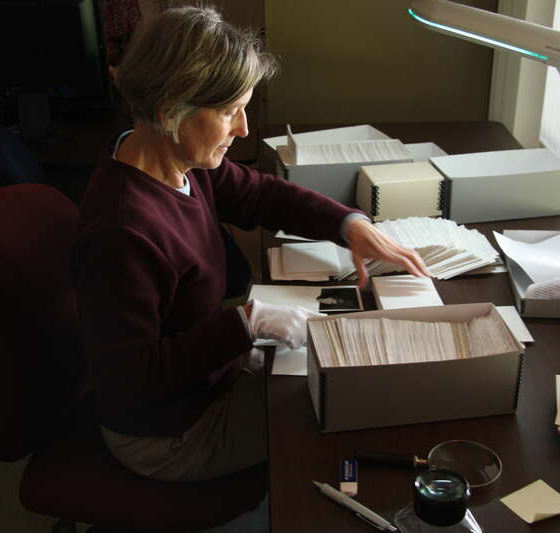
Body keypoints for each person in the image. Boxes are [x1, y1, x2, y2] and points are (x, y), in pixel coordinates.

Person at [71, 5, 429, 482]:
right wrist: (245, 324)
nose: (242, 129)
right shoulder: (123, 232)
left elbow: (259, 193)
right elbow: (131, 378)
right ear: (171, 110)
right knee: (351, 413)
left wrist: (349, 223)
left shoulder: (168, 158)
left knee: (346, 390)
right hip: (170, 433)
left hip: (210, 380)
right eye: (229, 112)